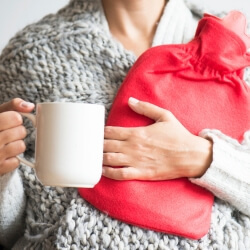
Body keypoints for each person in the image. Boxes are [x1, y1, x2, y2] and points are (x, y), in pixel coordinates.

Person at [0, 0, 249, 249]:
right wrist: (2, 175)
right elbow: (13, 231)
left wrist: (202, 157)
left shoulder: (237, 46)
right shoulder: (28, 55)